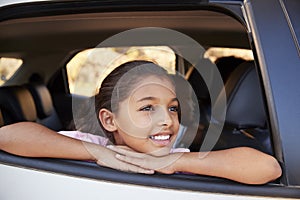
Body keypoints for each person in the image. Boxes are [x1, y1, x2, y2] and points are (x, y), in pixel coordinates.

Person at [0, 61, 281, 184]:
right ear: (110, 120)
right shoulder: (93, 146)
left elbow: (267, 168)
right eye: (147, 107)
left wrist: (177, 163)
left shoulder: (177, 157)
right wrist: (102, 154)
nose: (167, 119)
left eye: (172, 108)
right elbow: (9, 136)